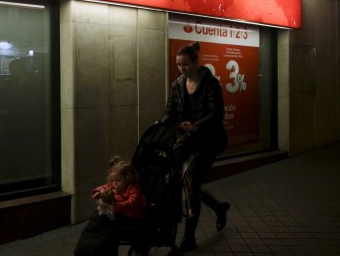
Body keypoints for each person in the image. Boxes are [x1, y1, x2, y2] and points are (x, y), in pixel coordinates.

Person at [160, 42, 231, 253]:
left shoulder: (211, 84)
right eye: (179, 65)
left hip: (208, 142)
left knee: (190, 183)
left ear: (196, 62)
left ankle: (189, 238)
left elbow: (216, 115)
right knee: (187, 183)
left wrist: (195, 126)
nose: (182, 69)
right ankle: (219, 207)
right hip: (186, 142)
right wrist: (160, 125)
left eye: (186, 64)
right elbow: (170, 112)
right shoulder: (177, 85)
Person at [74, 156, 147, 256]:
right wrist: (98, 192)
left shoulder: (134, 189)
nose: (115, 184)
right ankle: (85, 249)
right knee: (96, 219)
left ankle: (93, 250)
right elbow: (105, 187)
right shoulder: (115, 185)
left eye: (118, 180)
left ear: (128, 178)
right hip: (115, 213)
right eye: (113, 181)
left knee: (107, 228)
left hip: (129, 216)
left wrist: (116, 207)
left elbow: (132, 204)